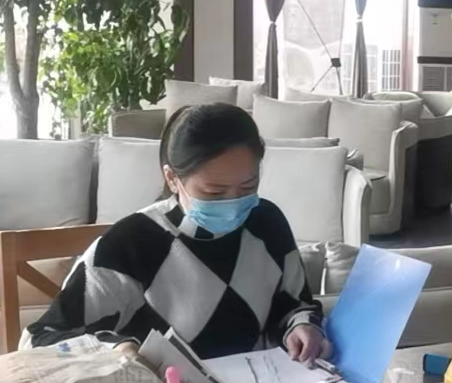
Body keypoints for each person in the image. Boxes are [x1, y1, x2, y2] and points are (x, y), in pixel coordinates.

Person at [27, 103, 331, 365]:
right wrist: (116, 348)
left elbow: (295, 304)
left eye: (248, 187)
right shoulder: (130, 244)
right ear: (172, 178)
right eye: (214, 192)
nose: (233, 204)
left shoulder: (267, 221)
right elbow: (40, 340)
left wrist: (302, 327)